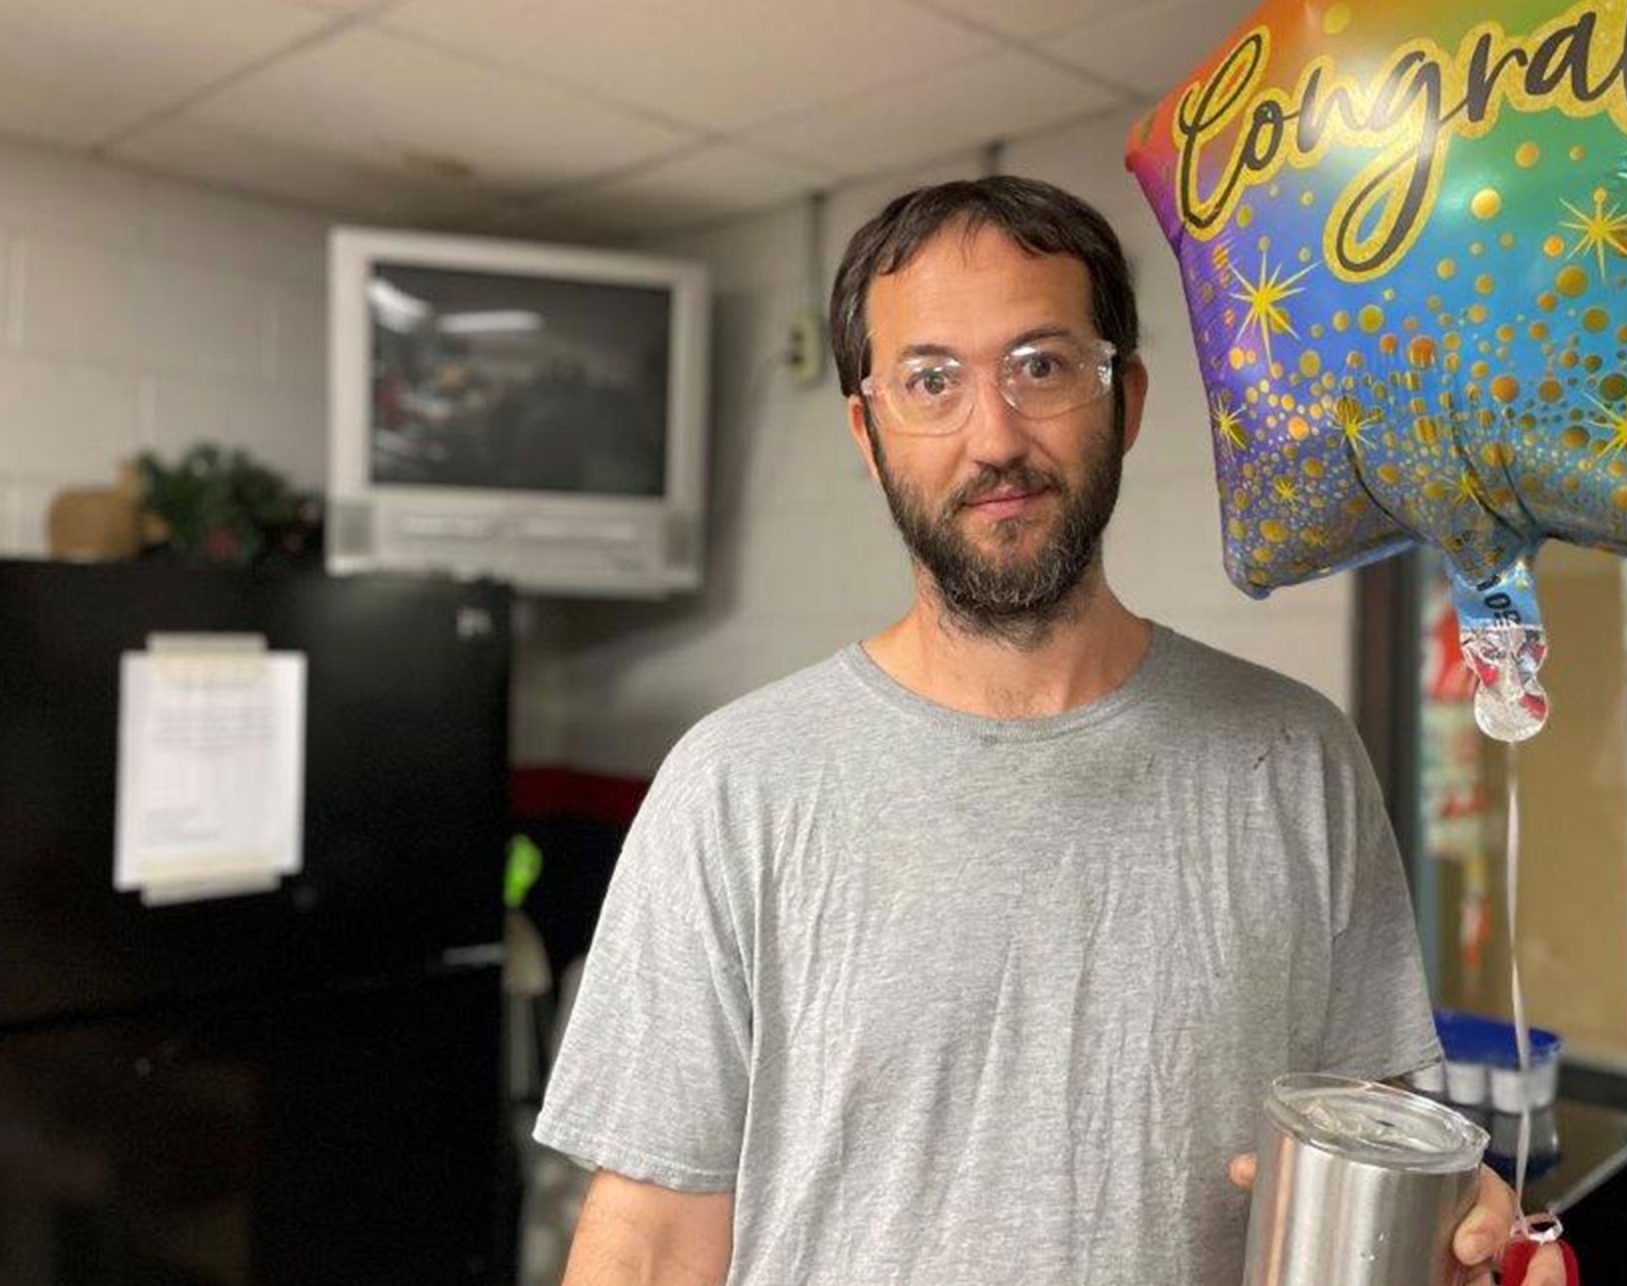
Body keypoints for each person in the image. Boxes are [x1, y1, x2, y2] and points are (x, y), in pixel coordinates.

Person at [534, 177, 1565, 1286]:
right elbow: (648, 1240)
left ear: (1125, 400)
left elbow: (1369, 1154)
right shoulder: (733, 784)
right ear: (869, 432)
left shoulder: (1299, 758)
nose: (995, 437)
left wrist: (1443, 1222)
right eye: (931, 380)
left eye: (1041, 365)